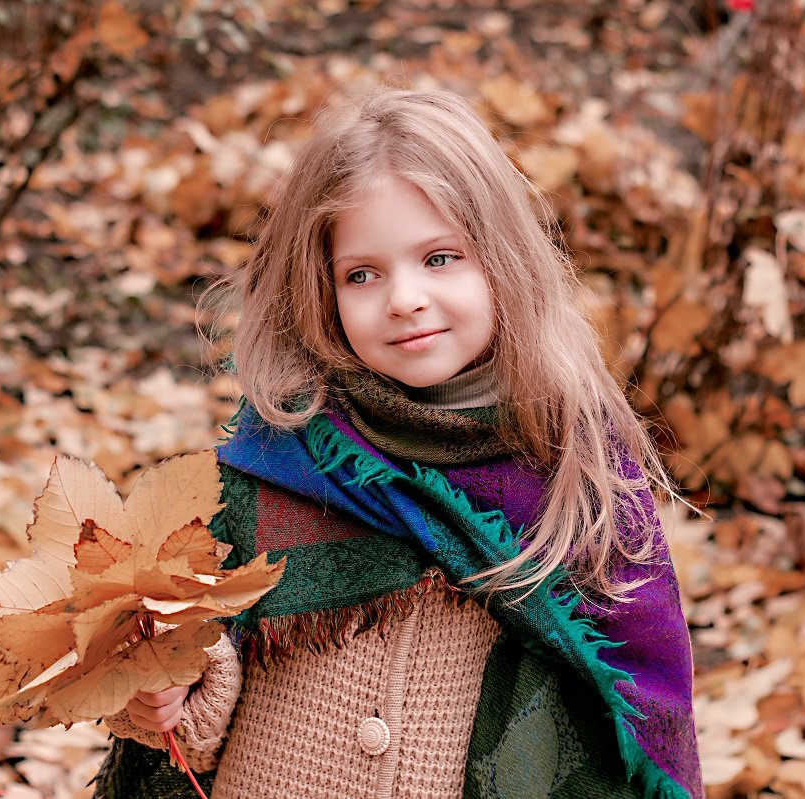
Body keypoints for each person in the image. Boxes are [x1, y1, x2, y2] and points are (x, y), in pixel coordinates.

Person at [91, 88, 704, 799]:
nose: (404, 297)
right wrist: (173, 688)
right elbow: (200, 681)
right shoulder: (280, 459)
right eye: (362, 274)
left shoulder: (579, 477)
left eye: (440, 258)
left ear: (501, 259)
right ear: (322, 292)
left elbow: (629, 716)